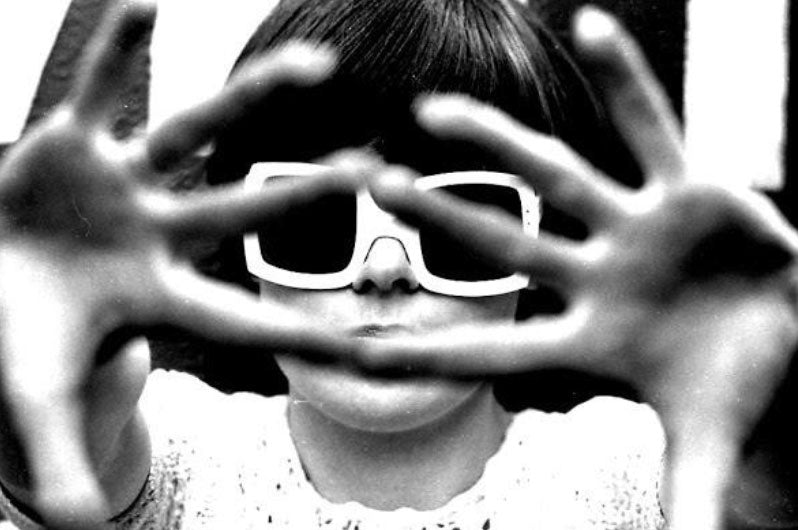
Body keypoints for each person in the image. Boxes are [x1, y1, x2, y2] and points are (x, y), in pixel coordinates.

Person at [0, 1, 795, 529]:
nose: (384, 269)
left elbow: (762, 495)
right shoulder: (175, 456)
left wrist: (770, 384)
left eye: (459, 218)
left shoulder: (637, 472)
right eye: (314, 219)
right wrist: (37, 315)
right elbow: (47, 431)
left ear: (538, 247)